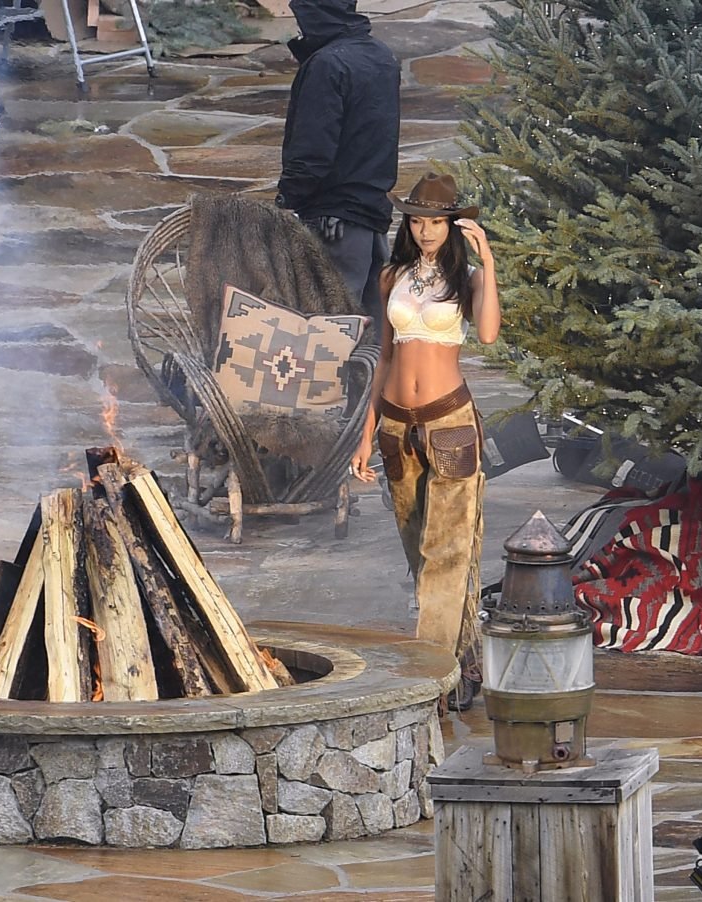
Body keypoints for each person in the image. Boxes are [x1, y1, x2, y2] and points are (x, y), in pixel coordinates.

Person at [350, 172, 500, 712]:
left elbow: (488, 334)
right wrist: (365, 435)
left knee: (447, 554)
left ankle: (429, 680)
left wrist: (488, 261)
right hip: (395, 424)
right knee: (420, 552)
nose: (426, 230)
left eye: (436, 221)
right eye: (417, 221)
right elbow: (385, 358)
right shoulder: (393, 276)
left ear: (453, 224)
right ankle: (465, 662)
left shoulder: (468, 278)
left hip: (448, 421)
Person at [276, 0, 401, 337]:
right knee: (371, 332)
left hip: (333, 222)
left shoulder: (326, 65)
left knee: (325, 334)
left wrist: (288, 199)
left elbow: (312, 150)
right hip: (372, 216)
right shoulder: (382, 56)